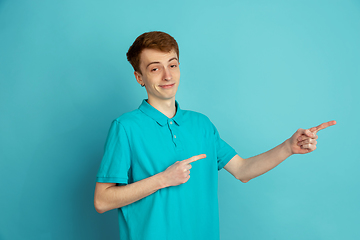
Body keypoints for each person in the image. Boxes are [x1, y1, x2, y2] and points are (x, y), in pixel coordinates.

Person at [94, 31, 336, 240]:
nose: (167, 76)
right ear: (139, 77)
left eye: (173, 65)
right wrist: (163, 179)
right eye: (155, 68)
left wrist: (288, 147)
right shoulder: (125, 127)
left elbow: (242, 170)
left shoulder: (201, 124)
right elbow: (102, 200)